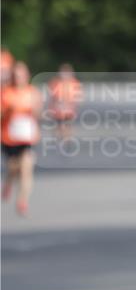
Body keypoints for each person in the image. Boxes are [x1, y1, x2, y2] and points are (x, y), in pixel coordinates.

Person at [1, 61, 42, 216]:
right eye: (16, 75)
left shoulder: (33, 93)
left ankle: (22, 201)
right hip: (9, 138)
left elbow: (39, 115)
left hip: (27, 138)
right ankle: (8, 183)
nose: (19, 78)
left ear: (27, 76)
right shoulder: (6, 93)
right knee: (13, 168)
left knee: (26, 169)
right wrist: (8, 112)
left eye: (21, 75)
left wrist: (35, 110)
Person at [46, 63, 82, 141]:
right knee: (60, 125)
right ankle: (59, 139)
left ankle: (66, 140)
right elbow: (52, 98)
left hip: (69, 110)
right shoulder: (55, 83)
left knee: (67, 125)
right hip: (58, 110)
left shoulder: (74, 83)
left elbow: (77, 98)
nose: (65, 75)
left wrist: (73, 106)